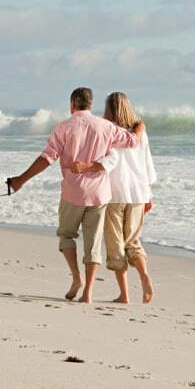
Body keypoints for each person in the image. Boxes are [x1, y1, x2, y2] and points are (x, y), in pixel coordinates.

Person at [7, 86, 144, 304]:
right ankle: (88, 293)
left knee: (66, 235)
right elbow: (132, 141)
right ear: (90, 104)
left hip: (72, 193)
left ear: (72, 103)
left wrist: (21, 180)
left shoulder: (65, 127)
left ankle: (76, 278)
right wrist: (139, 127)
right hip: (99, 195)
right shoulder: (107, 127)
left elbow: (47, 158)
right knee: (93, 244)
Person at [69, 90, 156, 304]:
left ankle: (125, 295)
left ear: (108, 109)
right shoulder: (140, 133)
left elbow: (109, 162)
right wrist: (149, 195)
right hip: (138, 193)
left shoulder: (108, 131)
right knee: (133, 241)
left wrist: (84, 168)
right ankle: (144, 276)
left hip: (115, 194)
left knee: (115, 246)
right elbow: (147, 165)